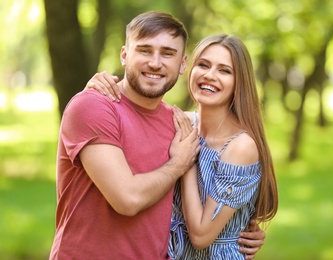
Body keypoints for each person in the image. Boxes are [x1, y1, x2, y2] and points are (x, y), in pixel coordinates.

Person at [50, 11, 264, 260]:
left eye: (167, 53)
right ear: (124, 55)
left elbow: (203, 205)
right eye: (144, 50)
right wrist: (180, 164)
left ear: (182, 64)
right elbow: (127, 199)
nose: (155, 62)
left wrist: (237, 228)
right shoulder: (95, 106)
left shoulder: (178, 125)